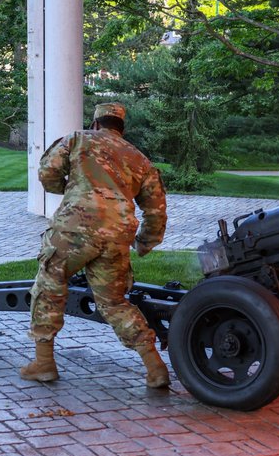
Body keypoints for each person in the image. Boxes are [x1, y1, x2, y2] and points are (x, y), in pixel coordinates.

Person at [21, 102, 170, 388]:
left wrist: (69, 189)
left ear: (96, 123)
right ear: (121, 128)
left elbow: (47, 172)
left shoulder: (79, 139)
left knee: (50, 285)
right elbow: (156, 210)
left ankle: (43, 363)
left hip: (75, 228)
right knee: (114, 302)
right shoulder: (140, 159)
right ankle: (155, 367)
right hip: (117, 235)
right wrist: (145, 243)